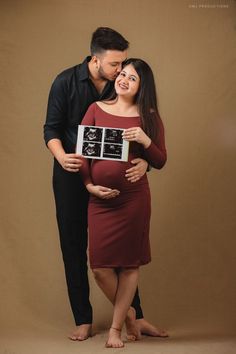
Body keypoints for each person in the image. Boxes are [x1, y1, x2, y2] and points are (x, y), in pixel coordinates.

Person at [44, 27, 167, 341]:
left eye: (124, 66)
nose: (120, 73)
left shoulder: (125, 90)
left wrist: (147, 162)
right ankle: (84, 319)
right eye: (116, 66)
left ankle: (135, 317)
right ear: (95, 61)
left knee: (126, 255)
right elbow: (51, 129)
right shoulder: (65, 82)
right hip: (72, 173)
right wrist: (62, 158)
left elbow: (144, 143)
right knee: (74, 246)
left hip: (122, 188)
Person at [79, 58, 167, 348]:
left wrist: (144, 140)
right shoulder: (95, 109)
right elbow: (83, 156)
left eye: (133, 78)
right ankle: (129, 313)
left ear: (143, 87)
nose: (124, 80)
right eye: (123, 74)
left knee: (130, 265)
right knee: (100, 267)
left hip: (133, 200)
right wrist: (90, 185)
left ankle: (116, 329)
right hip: (100, 202)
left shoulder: (149, 116)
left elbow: (160, 160)